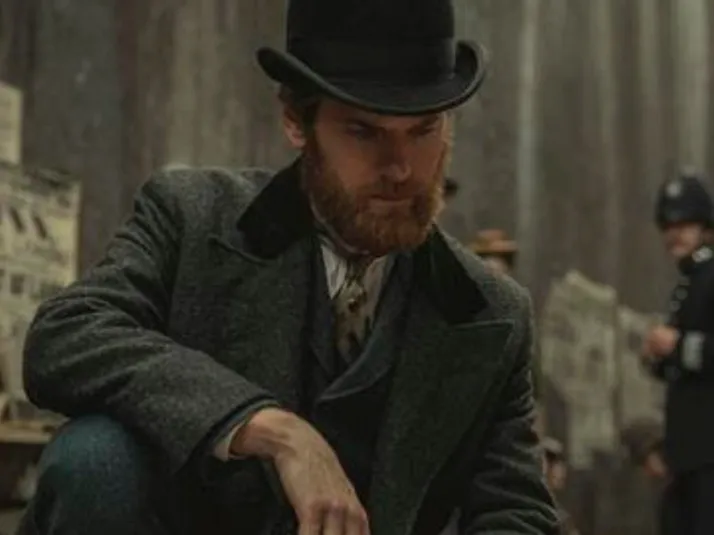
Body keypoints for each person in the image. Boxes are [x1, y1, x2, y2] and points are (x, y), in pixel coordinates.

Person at [18, 0, 559, 534]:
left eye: (423, 130)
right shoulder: (193, 218)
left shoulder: (492, 313)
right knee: (94, 457)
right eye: (363, 131)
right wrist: (271, 430)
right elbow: (66, 335)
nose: (399, 168)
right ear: (297, 123)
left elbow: (516, 513)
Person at [641, 173, 714, 535]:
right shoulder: (690, 280)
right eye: (668, 226)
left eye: (685, 225)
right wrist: (657, 357)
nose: (675, 234)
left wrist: (678, 346)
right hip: (688, 453)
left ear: (705, 228)